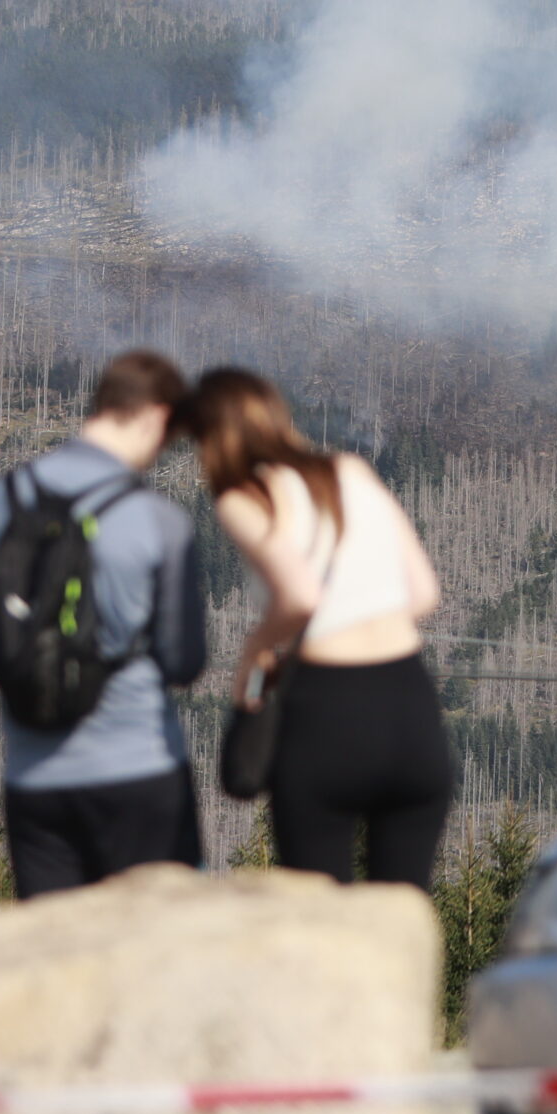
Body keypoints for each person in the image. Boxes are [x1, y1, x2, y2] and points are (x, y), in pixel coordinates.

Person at [0, 349, 209, 897]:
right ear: (155, 415)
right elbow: (184, 662)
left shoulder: (0, 500)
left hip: (35, 779)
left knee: (57, 959)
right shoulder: (159, 521)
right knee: (156, 951)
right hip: (140, 771)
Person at [185, 367, 453, 888]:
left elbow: (301, 595)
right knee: (400, 919)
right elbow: (423, 594)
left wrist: (256, 651)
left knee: (319, 915)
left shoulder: (244, 498)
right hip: (410, 703)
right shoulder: (350, 470)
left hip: (329, 708)